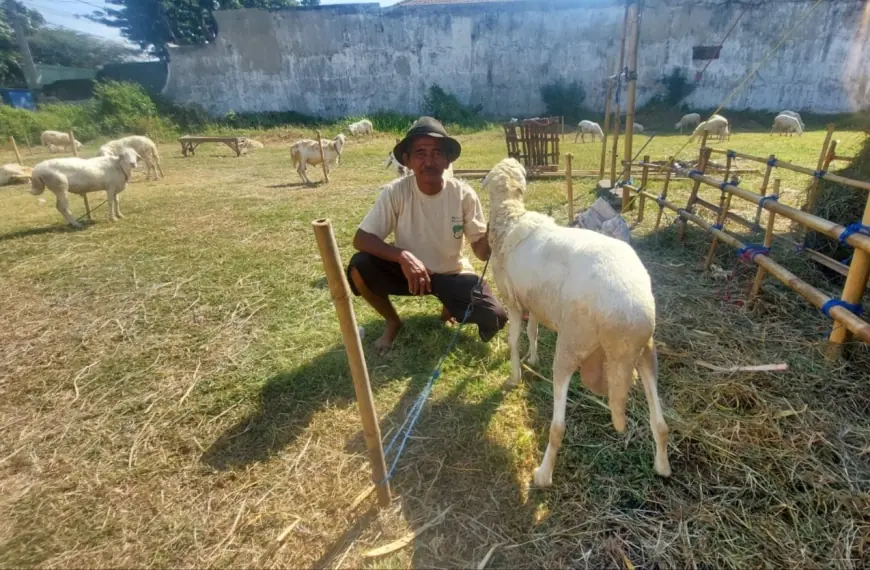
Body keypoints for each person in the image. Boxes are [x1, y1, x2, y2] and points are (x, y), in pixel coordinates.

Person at [346, 117, 508, 354]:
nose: (429, 161)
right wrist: (403, 256)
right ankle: (392, 321)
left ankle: (448, 303)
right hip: (408, 273)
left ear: (447, 160)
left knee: (495, 317)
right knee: (359, 268)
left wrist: (496, 226)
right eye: (420, 153)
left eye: (437, 153)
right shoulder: (396, 192)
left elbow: (481, 254)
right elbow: (361, 238)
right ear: (407, 161)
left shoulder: (463, 194)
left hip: (451, 274)